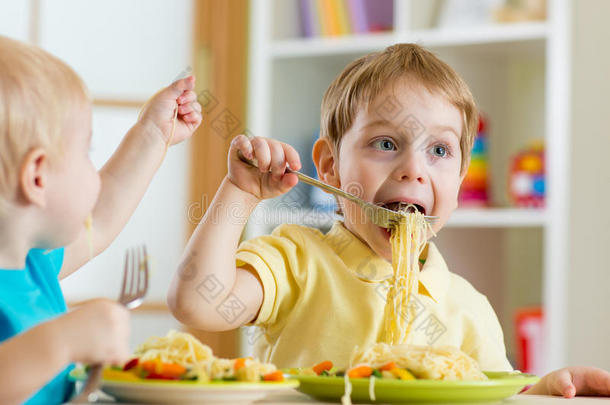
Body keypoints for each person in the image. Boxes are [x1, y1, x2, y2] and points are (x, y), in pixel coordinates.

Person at [168, 43, 609, 398]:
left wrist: (545, 391)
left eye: (439, 150)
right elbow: (197, 302)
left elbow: (499, 397)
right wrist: (240, 193)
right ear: (330, 167)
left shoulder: (467, 306)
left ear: (458, 182)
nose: (413, 169)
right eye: (384, 142)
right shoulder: (296, 260)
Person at [0, 35, 202, 405]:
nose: (93, 172)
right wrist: (61, 341)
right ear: (37, 177)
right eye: (86, 152)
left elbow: (101, 217)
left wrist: (153, 135)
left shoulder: (34, 266)